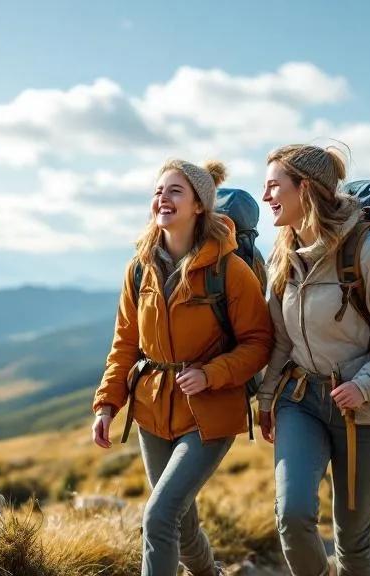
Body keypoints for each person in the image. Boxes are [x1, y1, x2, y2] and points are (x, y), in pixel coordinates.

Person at [91, 158, 274, 576]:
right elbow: (124, 345)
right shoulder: (139, 268)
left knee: (159, 516)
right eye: (158, 191)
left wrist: (211, 374)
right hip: (152, 411)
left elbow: (259, 343)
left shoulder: (230, 270)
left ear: (198, 206)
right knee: (182, 523)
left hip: (210, 412)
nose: (162, 198)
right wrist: (106, 405)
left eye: (175, 191)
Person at [256, 144, 370, 576]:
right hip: (301, 400)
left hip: (366, 409)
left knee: (351, 534)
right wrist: (266, 397)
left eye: (274, 186)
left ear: (306, 189)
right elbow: (281, 339)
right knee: (292, 517)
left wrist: (364, 385)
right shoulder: (283, 256)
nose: (266, 197)